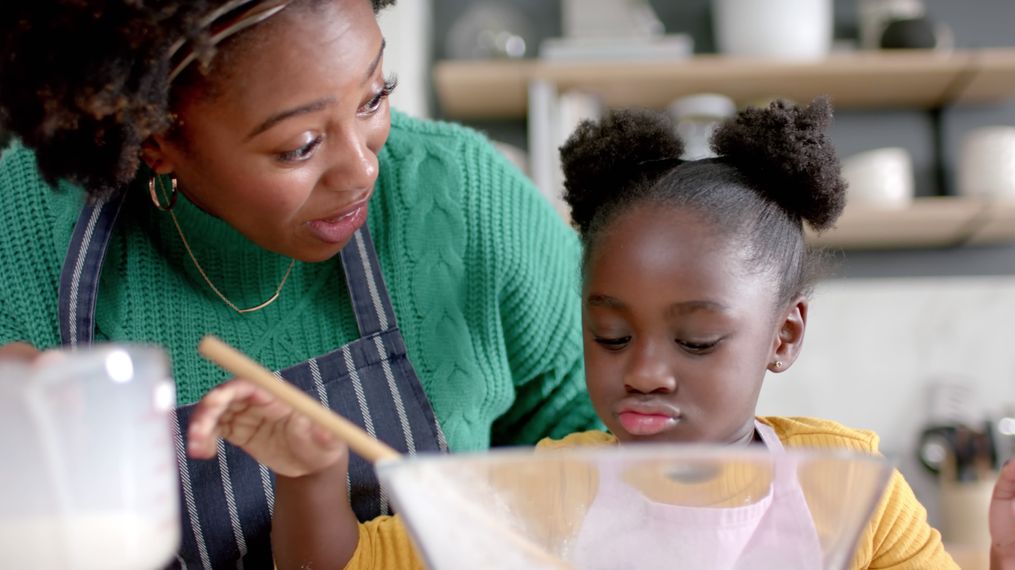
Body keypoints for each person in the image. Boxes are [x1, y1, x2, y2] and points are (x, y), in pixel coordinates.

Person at [188, 98, 1015, 569]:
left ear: (784, 334)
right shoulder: (545, 496)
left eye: (695, 342)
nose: (645, 372)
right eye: (610, 337)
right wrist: (307, 479)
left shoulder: (855, 496)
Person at [0, 0, 598, 566]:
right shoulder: (22, 229)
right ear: (155, 140)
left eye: (373, 97)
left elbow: (607, 440)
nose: (363, 167)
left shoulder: (459, 196)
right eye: (301, 146)